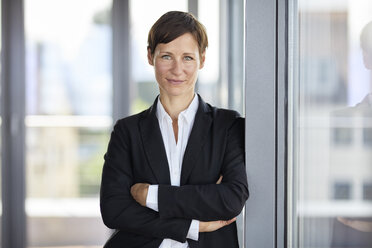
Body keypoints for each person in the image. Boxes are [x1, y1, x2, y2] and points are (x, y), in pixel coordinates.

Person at [100, 11, 249, 248]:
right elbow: (114, 210)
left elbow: (230, 200)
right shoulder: (126, 131)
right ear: (150, 56)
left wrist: (149, 195)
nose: (177, 69)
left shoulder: (227, 126)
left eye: (188, 57)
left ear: (202, 58)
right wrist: (193, 225)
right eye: (167, 56)